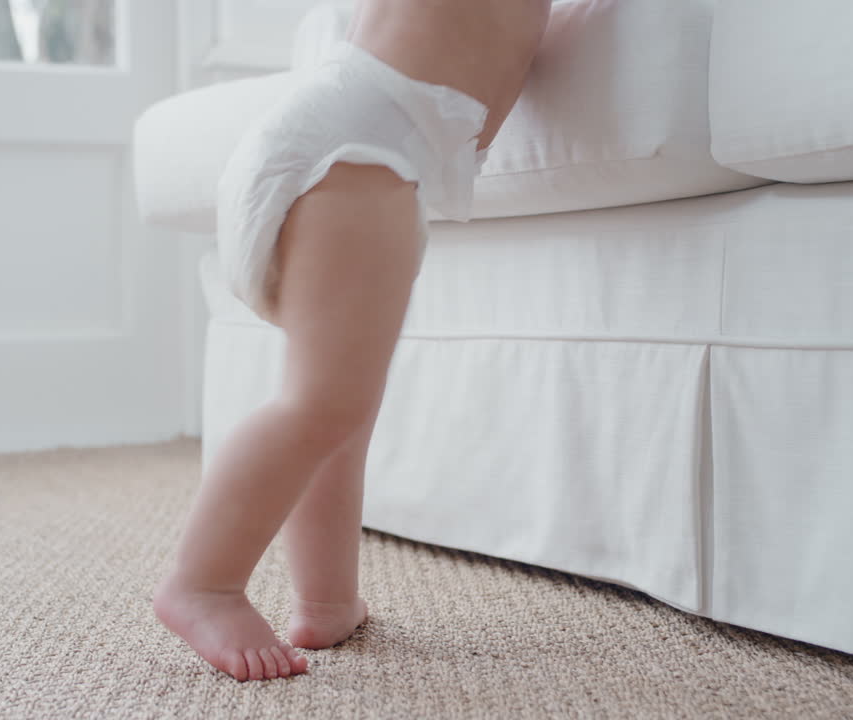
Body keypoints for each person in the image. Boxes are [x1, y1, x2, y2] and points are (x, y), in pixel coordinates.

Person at [153, 0, 553, 682]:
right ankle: (205, 582)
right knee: (323, 404)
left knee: (342, 413)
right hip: (351, 152)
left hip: (368, 156)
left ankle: (327, 600)